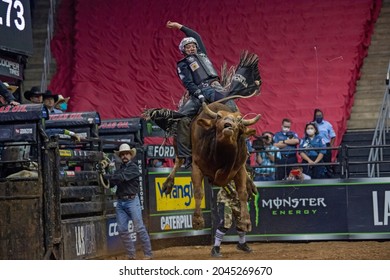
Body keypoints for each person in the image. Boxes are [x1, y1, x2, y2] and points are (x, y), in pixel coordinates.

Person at [166, 21, 250, 168]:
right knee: (181, 119)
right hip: (198, 91)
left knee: (232, 107)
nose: (191, 48)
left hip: (215, 87)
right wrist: (198, 94)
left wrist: (179, 27)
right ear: (183, 50)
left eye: (193, 45)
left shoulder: (202, 54)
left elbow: (195, 36)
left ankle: (243, 143)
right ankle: (186, 156)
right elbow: (188, 82)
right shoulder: (183, 64)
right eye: (188, 46)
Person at [103, 144, 152, 260]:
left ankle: (148, 254)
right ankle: (131, 255)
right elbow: (114, 182)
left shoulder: (133, 168)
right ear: (120, 156)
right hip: (121, 202)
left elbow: (120, 178)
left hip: (131, 201)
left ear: (131, 155)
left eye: (126, 154)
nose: (124, 156)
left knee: (139, 227)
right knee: (122, 229)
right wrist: (107, 174)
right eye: (122, 154)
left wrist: (106, 175)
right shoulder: (121, 169)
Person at [211, 185, 252, 257]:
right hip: (225, 199)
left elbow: (248, 185)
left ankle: (241, 243)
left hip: (239, 199)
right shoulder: (228, 172)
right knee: (226, 222)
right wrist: (232, 192)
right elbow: (223, 182)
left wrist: (247, 197)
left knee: (242, 221)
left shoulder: (249, 173)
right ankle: (216, 247)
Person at [313, 109, 336, 177]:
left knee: (327, 163)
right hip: (316, 146)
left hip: (326, 145)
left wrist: (330, 146)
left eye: (320, 115)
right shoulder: (312, 125)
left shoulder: (327, 124)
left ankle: (329, 177)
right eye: (317, 115)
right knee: (317, 163)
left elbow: (333, 136)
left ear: (322, 116)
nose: (318, 117)